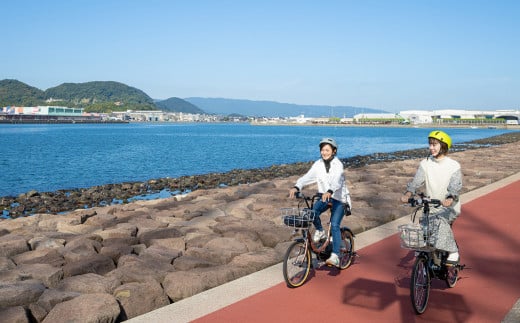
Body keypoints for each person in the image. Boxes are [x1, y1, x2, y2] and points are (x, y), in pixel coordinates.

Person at [400, 130, 463, 264]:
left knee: (440, 223)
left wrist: (450, 198)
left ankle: (453, 251)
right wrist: (408, 193)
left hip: (449, 207)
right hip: (431, 205)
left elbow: (455, 186)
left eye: (434, 145)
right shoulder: (426, 163)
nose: (431, 148)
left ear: (443, 146)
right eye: (430, 144)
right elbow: (417, 181)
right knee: (424, 226)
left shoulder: (453, 166)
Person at [289, 137, 352, 267]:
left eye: (327, 150)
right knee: (311, 212)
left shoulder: (338, 164)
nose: (324, 152)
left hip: (340, 199)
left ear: (334, 151)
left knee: (334, 224)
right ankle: (320, 230)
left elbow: (337, 181)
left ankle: (335, 255)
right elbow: (307, 177)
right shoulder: (318, 164)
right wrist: (297, 186)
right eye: (323, 150)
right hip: (325, 197)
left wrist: (329, 190)